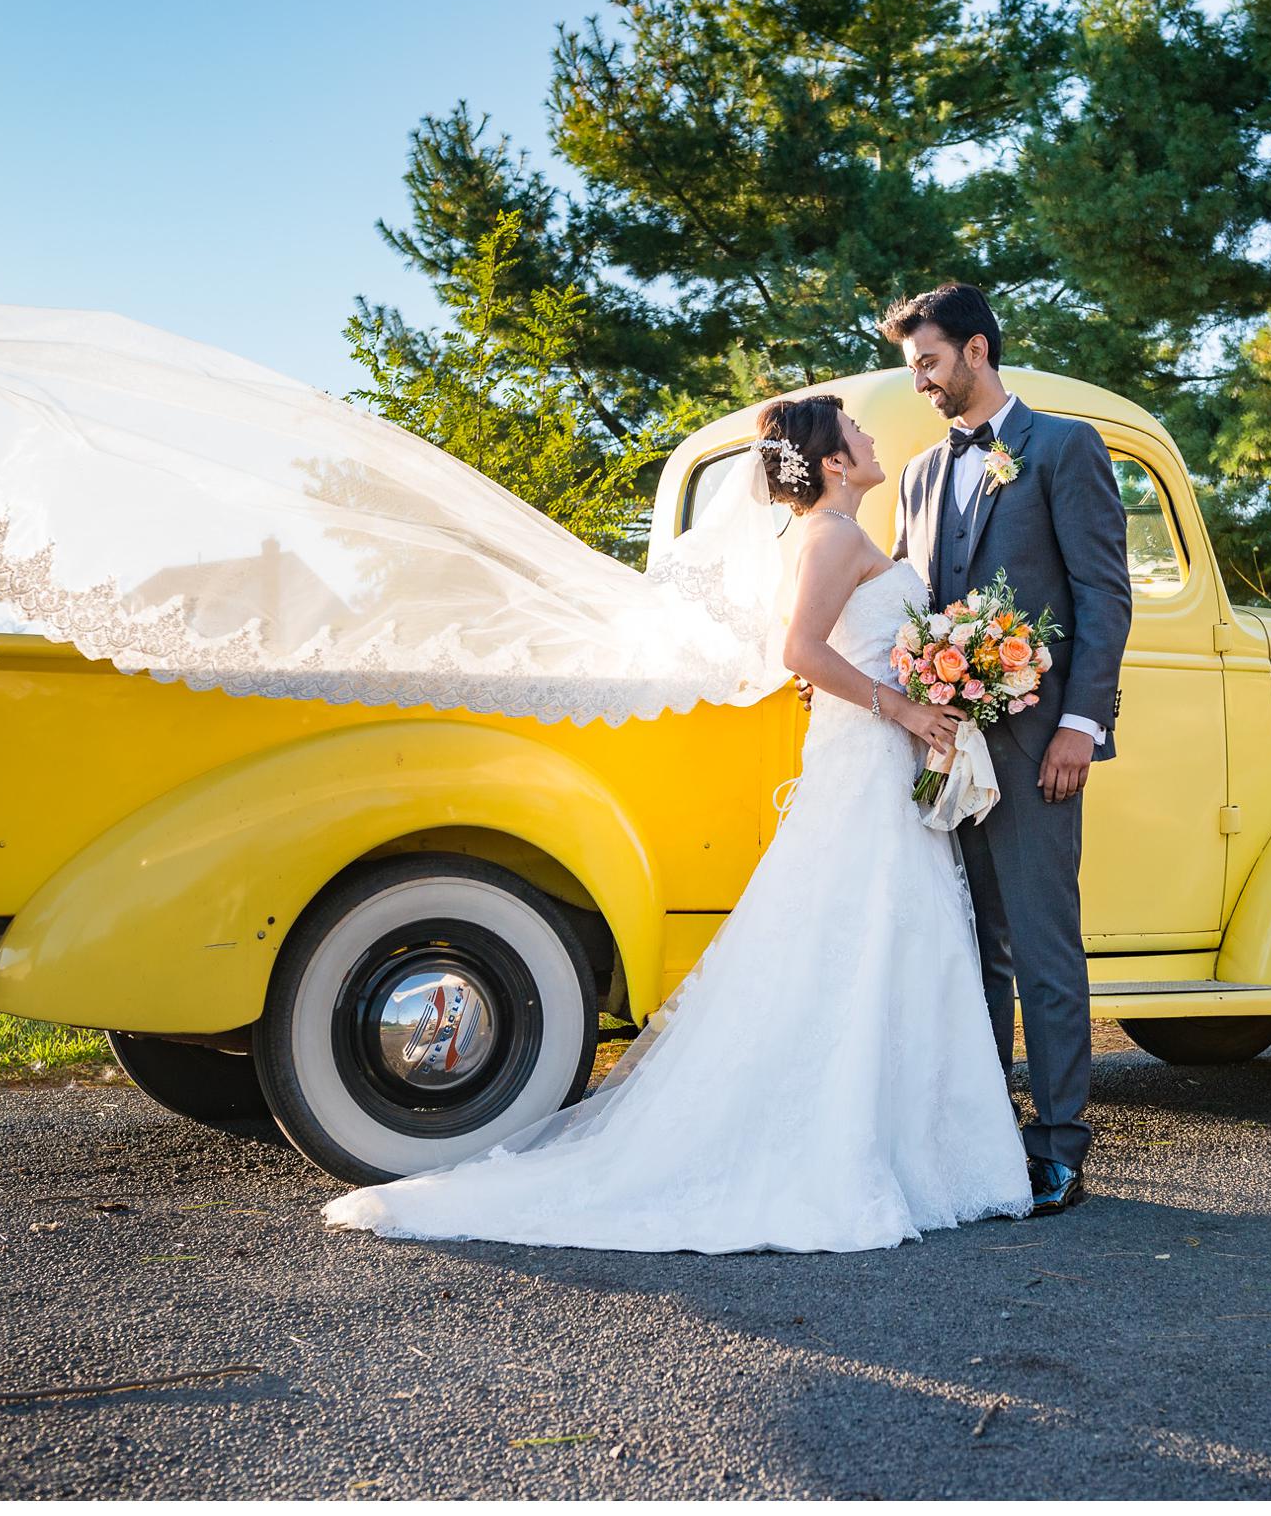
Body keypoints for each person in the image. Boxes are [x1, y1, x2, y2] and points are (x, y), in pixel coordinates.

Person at [320, 395, 1035, 1252]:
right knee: (862, 932)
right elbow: (800, 652)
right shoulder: (835, 538)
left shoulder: (836, 534)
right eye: (858, 431)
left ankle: (898, 1145)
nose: (874, 437)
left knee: (878, 940)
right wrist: (906, 709)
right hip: (868, 754)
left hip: (872, 757)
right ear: (836, 462)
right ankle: (848, 1148)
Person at [882, 283, 1133, 1216]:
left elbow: (1104, 597)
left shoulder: (1063, 448)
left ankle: (1061, 1143)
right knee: (965, 945)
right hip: (944, 747)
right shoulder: (914, 475)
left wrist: (1081, 723)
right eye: (915, 367)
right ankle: (984, 1138)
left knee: (1039, 946)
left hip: (1038, 746)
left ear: (978, 351)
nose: (922, 382)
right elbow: (911, 602)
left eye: (931, 363)